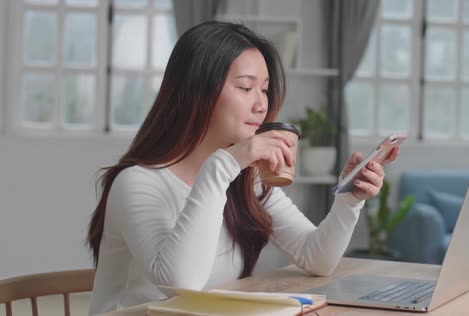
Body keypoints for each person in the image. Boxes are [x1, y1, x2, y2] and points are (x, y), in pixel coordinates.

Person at [86, 21, 399, 315]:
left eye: (264, 89)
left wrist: (348, 199)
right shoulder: (138, 183)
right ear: (198, 93)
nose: (261, 104)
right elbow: (181, 285)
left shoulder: (246, 181)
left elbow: (316, 257)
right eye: (246, 88)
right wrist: (226, 164)